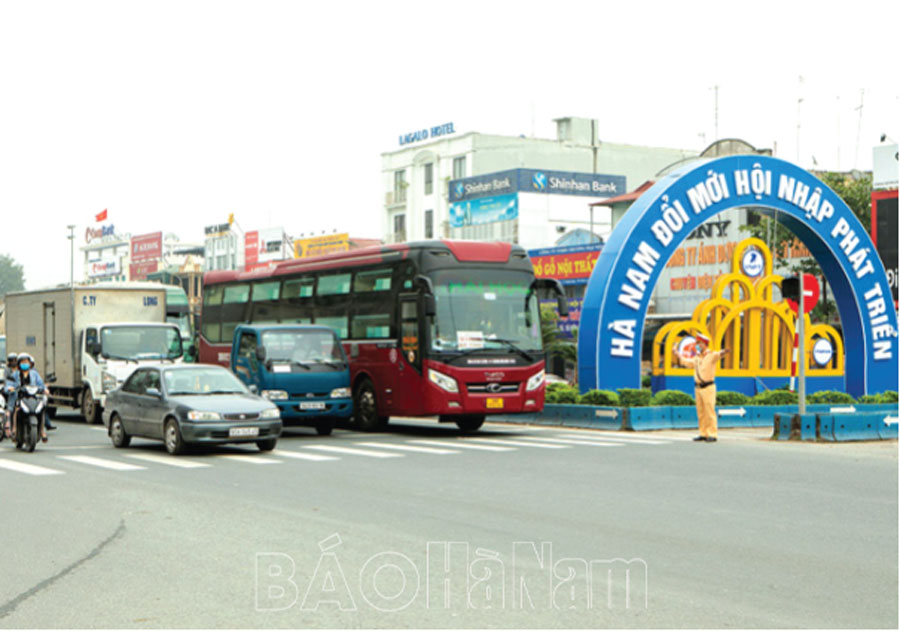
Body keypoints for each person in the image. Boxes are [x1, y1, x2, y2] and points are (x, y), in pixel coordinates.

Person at [674, 333, 729, 442]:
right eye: (697, 343)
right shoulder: (697, 358)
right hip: (698, 387)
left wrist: (724, 352)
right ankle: (703, 433)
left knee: (709, 411)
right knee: (701, 411)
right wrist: (678, 355)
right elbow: (688, 362)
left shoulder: (711, 355)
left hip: (708, 387)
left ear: (704, 344)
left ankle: (712, 434)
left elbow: (719, 354)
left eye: (699, 343)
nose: (697, 345)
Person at [7, 353, 54, 442]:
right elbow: (9, 384)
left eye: (26, 362)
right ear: (19, 364)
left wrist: (45, 389)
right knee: (16, 410)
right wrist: (10, 388)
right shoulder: (15, 374)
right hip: (20, 398)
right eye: (23, 362)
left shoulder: (34, 374)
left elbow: (41, 384)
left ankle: (42, 430)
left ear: (30, 363)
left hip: (33, 397)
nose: (25, 364)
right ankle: (14, 430)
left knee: (42, 409)